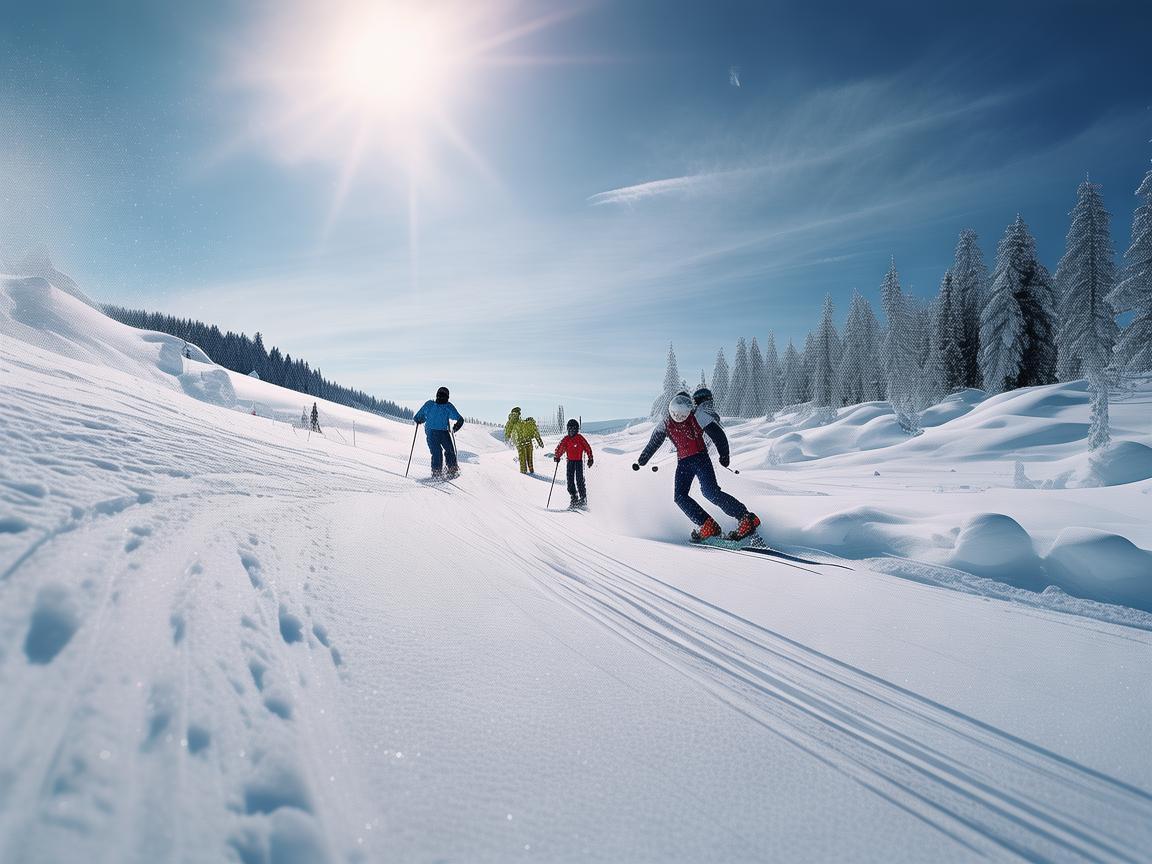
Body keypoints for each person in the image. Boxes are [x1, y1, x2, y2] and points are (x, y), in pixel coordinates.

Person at [633, 390, 759, 542]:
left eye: (683, 414)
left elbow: (718, 434)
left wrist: (724, 455)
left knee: (710, 492)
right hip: (684, 463)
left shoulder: (697, 416)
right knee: (680, 496)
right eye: (676, 414)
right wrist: (643, 459)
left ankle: (745, 518)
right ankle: (707, 524)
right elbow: (654, 442)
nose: (679, 418)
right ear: (671, 409)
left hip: (700, 458)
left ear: (690, 408)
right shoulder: (666, 422)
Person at [413, 386, 465, 479]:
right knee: (439, 452)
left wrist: (458, 425)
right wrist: (419, 419)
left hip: (441, 432)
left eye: (443, 396)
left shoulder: (445, 406)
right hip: (433, 433)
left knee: (446, 450)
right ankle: (440, 472)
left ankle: (448, 470)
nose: (441, 398)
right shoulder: (432, 405)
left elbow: (459, 418)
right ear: (437, 395)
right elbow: (419, 416)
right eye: (440, 396)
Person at [553, 418, 593, 507]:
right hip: (570, 462)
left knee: (579, 480)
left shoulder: (580, 438)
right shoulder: (566, 439)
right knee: (570, 480)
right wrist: (557, 456)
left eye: (573, 429)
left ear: (577, 430)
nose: (571, 431)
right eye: (570, 429)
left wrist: (590, 458)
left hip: (578, 462)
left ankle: (583, 498)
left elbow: (587, 447)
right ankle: (574, 497)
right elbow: (560, 448)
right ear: (567, 429)